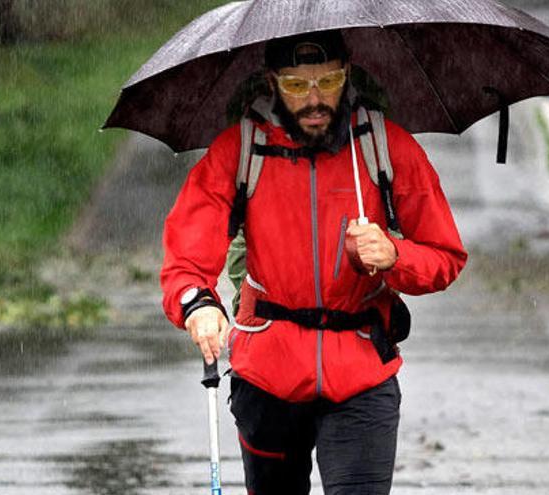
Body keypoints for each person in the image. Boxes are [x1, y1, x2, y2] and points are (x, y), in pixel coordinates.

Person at [159, 30, 467, 494]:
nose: (315, 99)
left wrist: (394, 254)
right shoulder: (241, 150)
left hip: (362, 372)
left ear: (349, 73)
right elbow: (187, 251)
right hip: (267, 376)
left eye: (329, 81)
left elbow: (445, 257)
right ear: (271, 82)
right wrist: (198, 304)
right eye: (297, 85)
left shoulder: (385, 148)